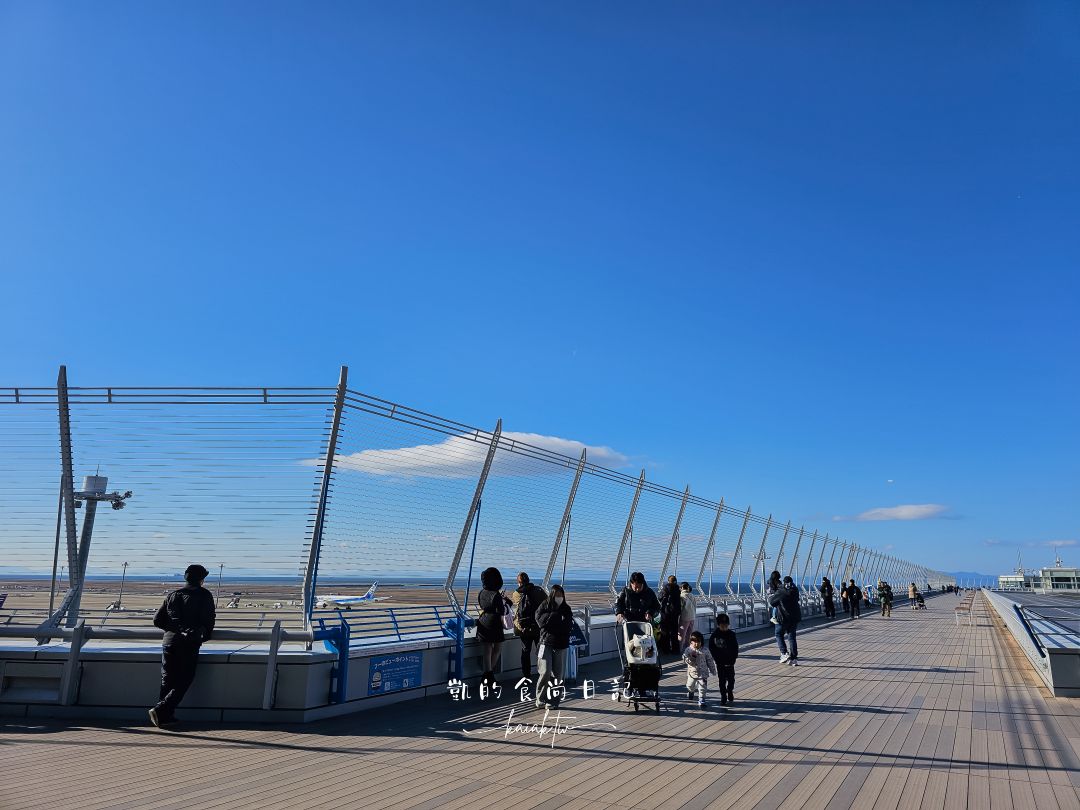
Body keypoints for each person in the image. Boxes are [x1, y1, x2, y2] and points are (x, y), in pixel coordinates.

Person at [149, 563, 216, 728]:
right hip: (189, 643)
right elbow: (208, 621)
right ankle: (161, 710)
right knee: (185, 678)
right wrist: (202, 635)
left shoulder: (173, 595)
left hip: (169, 642)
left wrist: (173, 630)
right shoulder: (204, 595)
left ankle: (163, 716)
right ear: (202, 579)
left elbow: (157, 620)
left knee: (167, 679)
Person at [615, 571, 662, 687]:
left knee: (645, 649)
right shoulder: (625, 591)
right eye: (635, 587)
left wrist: (650, 612)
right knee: (629, 649)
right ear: (631, 584)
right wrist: (619, 613)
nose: (637, 589)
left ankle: (645, 674)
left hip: (644, 625)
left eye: (639, 587)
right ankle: (628, 674)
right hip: (629, 625)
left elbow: (657, 606)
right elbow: (618, 603)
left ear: (643, 584)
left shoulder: (649, 592)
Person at [534, 584, 573, 709]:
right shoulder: (544, 605)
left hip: (560, 644)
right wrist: (555, 617)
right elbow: (539, 621)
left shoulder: (566, 609)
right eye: (557, 595)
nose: (559, 598)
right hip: (545, 643)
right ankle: (540, 698)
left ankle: (553, 700)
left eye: (561, 595)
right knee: (544, 671)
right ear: (552, 595)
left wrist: (552, 622)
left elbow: (567, 626)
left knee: (558, 674)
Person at [476, 567, 510, 687]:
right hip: (494, 623)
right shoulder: (495, 595)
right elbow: (501, 611)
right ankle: (488, 676)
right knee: (497, 649)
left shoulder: (481, 592)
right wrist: (506, 602)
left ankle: (487, 676)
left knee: (487, 650)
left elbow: (482, 605)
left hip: (483, 622)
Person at [510, 572, 547, 681]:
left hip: (524, 628)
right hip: (537, 626)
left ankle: (526, 676)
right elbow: (546, 603)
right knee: (541, 651)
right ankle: (543, 673)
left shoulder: (516, 594)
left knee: (525, 651)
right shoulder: (539, 591)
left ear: (519, 582)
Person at [769, 575, 802, 665]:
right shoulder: (795, 590)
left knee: (778, 634)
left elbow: (772, 602)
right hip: (794, 618)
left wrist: (773, 595)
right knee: (792, 638)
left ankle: (784, 653)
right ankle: (794, 658)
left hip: (783, 618)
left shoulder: (781, 591)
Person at [708, 613, 739, 705]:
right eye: (722, 625)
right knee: (721, 680)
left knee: (731, 680)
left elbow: (735, 647)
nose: (725, 627)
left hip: (730, 662)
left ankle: (729, 690)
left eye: (726, 625)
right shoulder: (714, 636)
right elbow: (712, 648)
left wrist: (734, 658)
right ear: (718, 625)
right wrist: (716, 658)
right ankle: (723, 696)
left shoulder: (732, 634)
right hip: (720, 663)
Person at [682, 630, 717, 707]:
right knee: (689, 686)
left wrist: (713, 670)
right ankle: (691, 691)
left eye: (698, 641)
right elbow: (684, 658)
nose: (697, 643)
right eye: (694, 642)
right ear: (691, 642)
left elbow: (710, 660)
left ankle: (702, 699)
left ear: (701, 642)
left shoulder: (705, 650)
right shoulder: (688, 650)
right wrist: (690, 659)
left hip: (703, 673)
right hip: (692, 673)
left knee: (703, 687)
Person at [658, 579, 683, 655]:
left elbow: (659, 598)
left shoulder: (665, 588)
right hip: (675, 614)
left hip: (665, 613)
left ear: (669, 581)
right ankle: (675, 650)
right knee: (674, 632)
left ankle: (665, 650)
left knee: (665, 632)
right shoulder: (678, 590)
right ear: (675, 581)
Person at [679, 582, 697, 652]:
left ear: (682, 588)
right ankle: (689, 648)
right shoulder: (692, 595)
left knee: (681, 634)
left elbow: (680, 608)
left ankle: (679, 649)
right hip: (692, 617)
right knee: (689, 634)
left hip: (685, 617)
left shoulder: (682, 596)